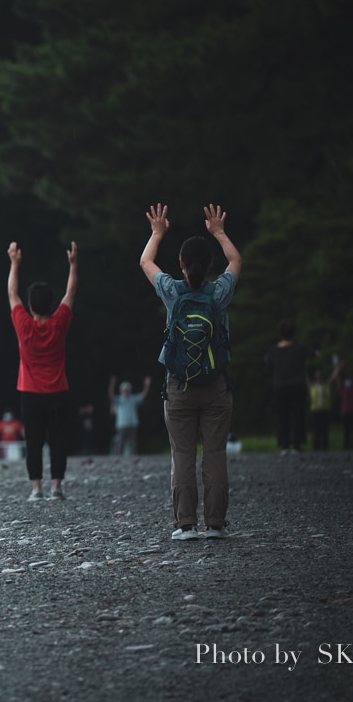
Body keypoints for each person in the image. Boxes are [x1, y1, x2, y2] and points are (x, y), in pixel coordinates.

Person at [140, 203, 240, 541]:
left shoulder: (172, 291)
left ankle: (186, 525)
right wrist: (220, 232)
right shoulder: (219, 293)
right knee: (214, 453)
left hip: (179, 385)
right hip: (216, 386)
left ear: (181, 265)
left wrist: (157, 233)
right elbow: (237, 262)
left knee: (182, 454)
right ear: (210, 264)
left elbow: (145, 262)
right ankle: (215, 524)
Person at [6, 240, 77, 501]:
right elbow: (70, 294)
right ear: (50, 305)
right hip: (58, 390)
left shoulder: (24, 326)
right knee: (58, 440)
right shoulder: (59, 324)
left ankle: (36, 488)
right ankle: (56, 486)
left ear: (32, 307)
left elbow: (12, 294)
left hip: (30, 392)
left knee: (33, 441)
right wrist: (73, 265)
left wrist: (14, 263)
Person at [264, 319, 315, 454]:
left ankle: (284, 445)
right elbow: (314, 355)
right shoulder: (300, 348)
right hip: (297, 384)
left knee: (283, 416)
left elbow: (267, 362)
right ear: (294, 333)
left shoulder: (274, 350)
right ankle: (297, 444)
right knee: (298, 415)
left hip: (280, 385)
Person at [109, 375, 152, 457]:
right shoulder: (118, 399)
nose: (125, 391)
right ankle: (118, 458)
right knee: (120, 443)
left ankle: (134, 458)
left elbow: (143, 395)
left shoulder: (133, 398)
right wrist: (112, 384)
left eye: (127, 390)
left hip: (132, 424)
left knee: (133, 443)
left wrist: (147, 385)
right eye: (124, 390)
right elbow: (111, 395)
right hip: (121, 425)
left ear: (130, 390)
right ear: (121, 390)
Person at [307, 360, 341, 451]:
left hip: (325, 411)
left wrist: (337, 367)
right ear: (315, 376)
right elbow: (305, 377)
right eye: (317, 374)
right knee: (316, 431)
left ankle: (325, 448)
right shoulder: (312, 386)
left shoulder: (326, 385)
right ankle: (316, 448)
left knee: (325, 430)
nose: (319, 376)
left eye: (320, 374)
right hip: (315, 411)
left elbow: (334, 376)